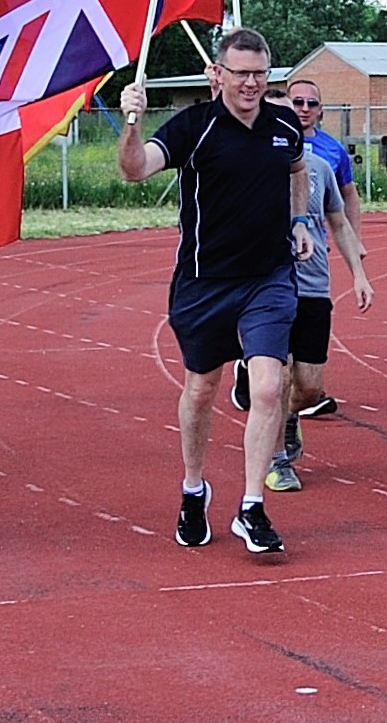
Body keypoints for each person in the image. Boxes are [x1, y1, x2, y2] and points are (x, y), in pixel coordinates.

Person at [120, 28, 314, 556]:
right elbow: (135, 170)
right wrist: (131, 122)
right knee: (202, 390)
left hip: (268, 278)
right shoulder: (194, 127)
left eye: (259, 73)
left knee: (270, 388)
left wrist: (299, 220)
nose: (251, 83)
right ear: (219, 73)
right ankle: (193, 487)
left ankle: (252, 507)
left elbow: (297, 169)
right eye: (241, 72)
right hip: (205, 283)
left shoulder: (283, 124)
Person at [278, 75, 371, 443]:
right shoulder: (253, 159)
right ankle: (277, 451)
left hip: (314, 282)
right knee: (277, 374)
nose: (302, 111)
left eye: (310, 104)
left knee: (309, 387)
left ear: (320, 110)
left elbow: (340, 215)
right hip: (269, 284)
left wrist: (359, 272)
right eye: (294, 104)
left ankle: (287, 418)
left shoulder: (323, 162)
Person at [291, 73, 359, 203]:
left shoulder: (334, 148)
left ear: (320, 109)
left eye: (312, 103)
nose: (305, 109)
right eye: (298, 102)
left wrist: (351, 224)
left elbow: (348, 193)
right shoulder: (272, 141)